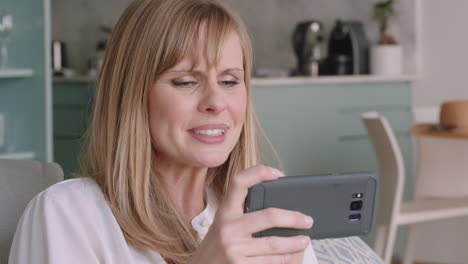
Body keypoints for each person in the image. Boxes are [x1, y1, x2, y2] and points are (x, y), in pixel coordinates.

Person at [9, 0, 318, 263]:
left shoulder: (268, 222)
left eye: (229, 81)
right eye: (185, 81)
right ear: (132, 95)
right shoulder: (67, 215)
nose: (216, 102)